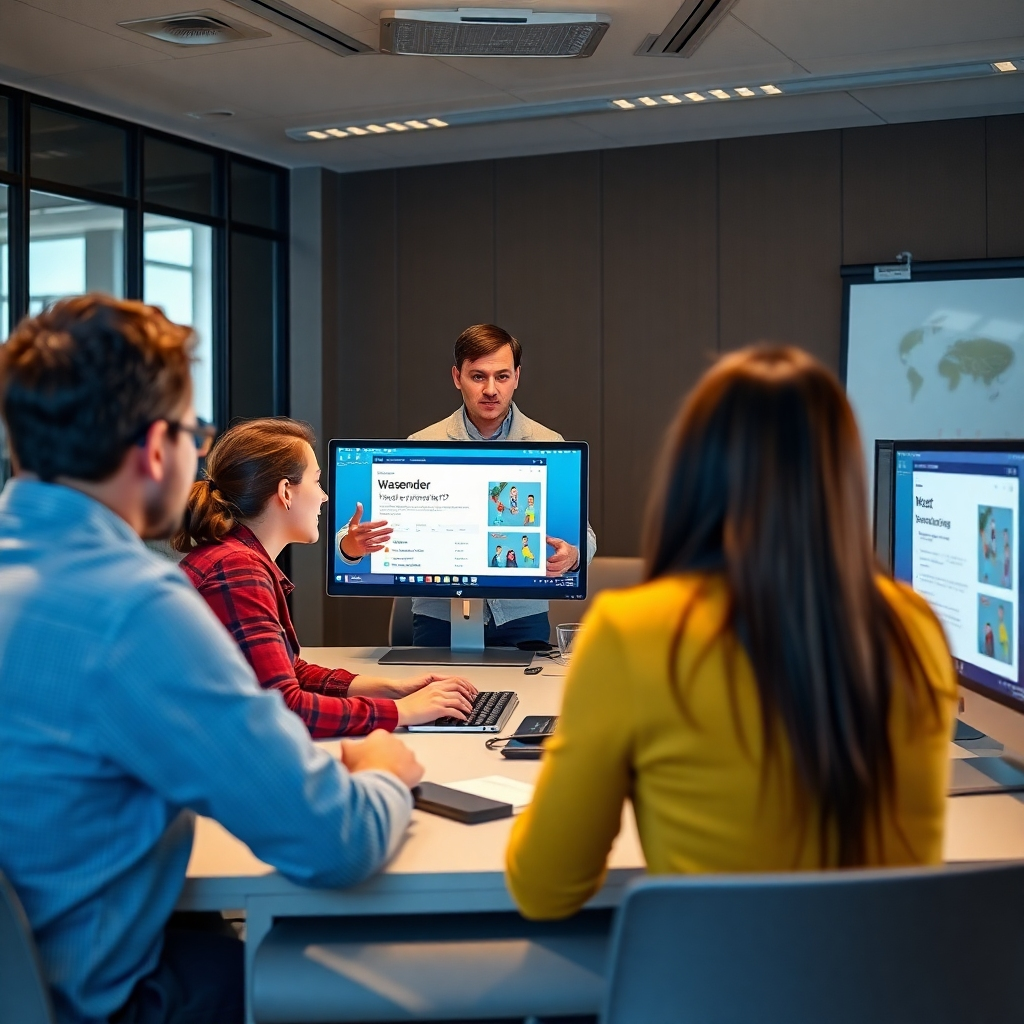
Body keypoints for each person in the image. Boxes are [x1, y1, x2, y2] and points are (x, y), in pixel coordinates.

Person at [0, 295, 423, 1024]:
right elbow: (333, 841)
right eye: (196, 431)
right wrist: (385, 773)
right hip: (96, 999)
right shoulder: (137, 610)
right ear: (155, 448)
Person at [506, 345, 956, 920]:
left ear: (694, 469)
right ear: (839, 471)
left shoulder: (632, 633)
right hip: (893, 996)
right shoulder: (914, 626)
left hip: (711, 993)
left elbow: (546, 891)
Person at [173, 418, 477, 735]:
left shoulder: (232, 558)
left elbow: (286, 671)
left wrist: (391, 688)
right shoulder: (237, 570)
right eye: (316, 482)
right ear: (285, 492)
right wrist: (401, 712)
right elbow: (287, 708)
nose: (324, 497)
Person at [337, 324, 597, 647]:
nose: (491, 389)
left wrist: (572, 555)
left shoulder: (549, 445)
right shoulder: (420, 445)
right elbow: (349, 540)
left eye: (501, 376)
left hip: (521, 620)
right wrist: (351, 545)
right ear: (457, 377)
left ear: (517, 377)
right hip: (438, 621)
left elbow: (585, 537)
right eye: (478, 376)